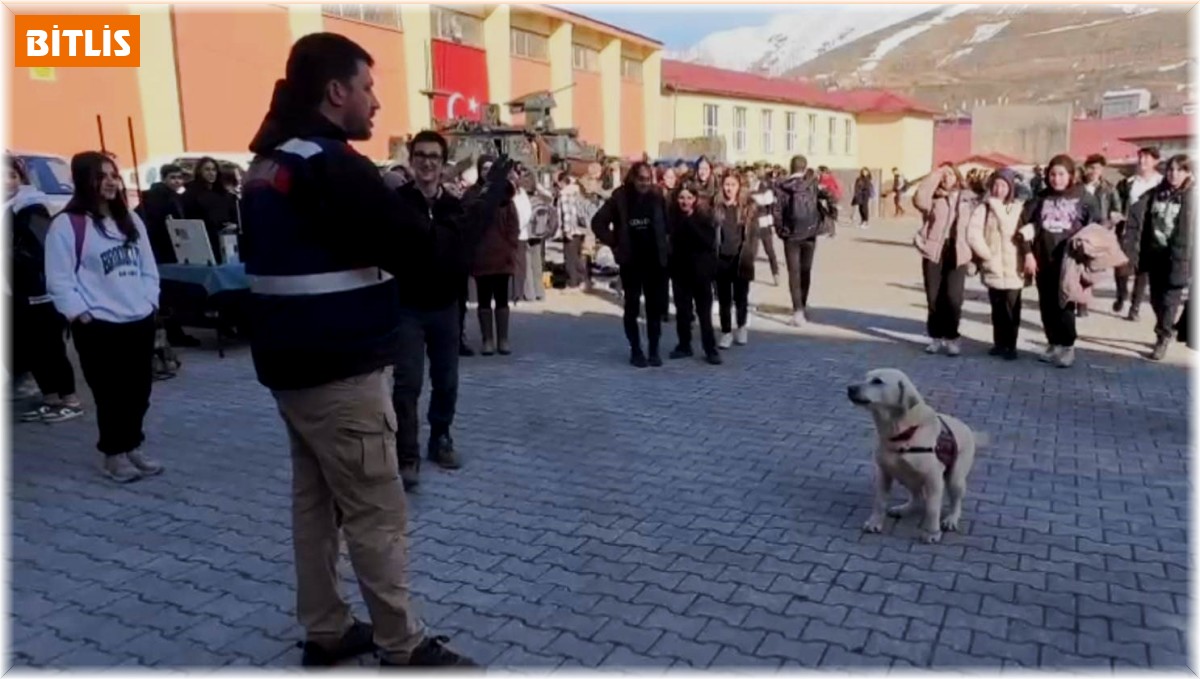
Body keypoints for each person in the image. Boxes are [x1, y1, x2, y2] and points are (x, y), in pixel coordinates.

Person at [240, 32, 485, 668]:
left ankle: (325, 628)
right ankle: (401, 642)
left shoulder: (270, 161)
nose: (377, 103)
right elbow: (426, 259)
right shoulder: (330, 164)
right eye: (370, 88)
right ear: (335, 92)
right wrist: (475, 212)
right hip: (340, 369)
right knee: (377, 511)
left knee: (315, 505)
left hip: (292, 370)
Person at [389, 130, 498, 489]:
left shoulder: (453, 207)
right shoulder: (397, 203)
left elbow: (467, 245)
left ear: (443, 162)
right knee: (408, 384)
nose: (427, 162)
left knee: (447, 381)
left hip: (445, 307)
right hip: (407, 307)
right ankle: (407, 454)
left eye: (434, 156)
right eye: (420, 155)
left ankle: (441, 438)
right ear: (411, 159)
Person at [44, 151, 162, 482]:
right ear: (85, 181)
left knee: (139, 391)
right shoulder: (68, 225)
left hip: (138, 319)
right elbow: (59, 278)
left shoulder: (131, 220)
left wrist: (150, 301)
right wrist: (80, 314)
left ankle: (133, 445)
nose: (111, 182)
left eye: (114, 175)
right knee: (110, 393)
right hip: (99, 325)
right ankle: (114, 454)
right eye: (102, 176)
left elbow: (148, 267)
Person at [7, 155, 84, 424]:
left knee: (49, 346)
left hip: (37, 289)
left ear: (22, 178)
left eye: (12, 176)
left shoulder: (31, 207)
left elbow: (40, 250)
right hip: (13, 290)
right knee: (30, 346)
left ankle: (70, 399)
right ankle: (50, 398)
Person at [1021, 154, 1101, 369]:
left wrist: (1086, 251)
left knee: (1064, 303)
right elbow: (1025, 226)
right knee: (1046, 304)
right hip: (1043, 259)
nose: (1056, 179)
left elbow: (1096, 227)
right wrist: (1028, 253)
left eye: (1061, 174)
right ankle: (1053, 342)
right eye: (1053, 174)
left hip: (1069, 262)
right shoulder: (1040, 198)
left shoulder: (1083, 197)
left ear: (1071, 175)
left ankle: (1067, 345)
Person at [591, 162, 670, 368]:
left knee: (654, 309)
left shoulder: (657, 196)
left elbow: (668, 224)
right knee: (632, 307)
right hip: (631, 261)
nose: (645, 184)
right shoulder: (620, 197)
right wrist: (614, 242)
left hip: (654, 260)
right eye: (641, 179)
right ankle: (636, 350)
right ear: (633, 178)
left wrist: (667, 249)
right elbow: (597, 222)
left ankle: (654, 350)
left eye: (648, 180)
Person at [913, 163, 979, 357]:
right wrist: (935, 174)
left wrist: (976, 259)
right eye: (943, 174)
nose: (946, 178)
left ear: (958, 177)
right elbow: (919, 199)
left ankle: (951, 337)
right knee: (933, 297)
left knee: (953, 298)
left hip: (959, 252)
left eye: (950, 174)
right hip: (934, 250)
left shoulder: (969, 198)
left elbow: (976, 228)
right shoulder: (933, 198)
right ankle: (935, 337)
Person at [134, 163, 202, 348]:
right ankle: (172, 333)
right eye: (172, 177)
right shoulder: (158, 198)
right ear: (164, 178)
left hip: (169, 250)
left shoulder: (172, 197)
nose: (176, 181)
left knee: (171, 294)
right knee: (168, 294)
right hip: (161, 252)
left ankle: (173, 331)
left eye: (179, 177)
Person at [966, 169, 1028, 361]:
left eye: (1003, 185)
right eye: (995, 185)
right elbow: (973, 233)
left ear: (1010, 188)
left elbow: (1013, 229)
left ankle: (1011, 345)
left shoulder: (1018, 208)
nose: (998, 189)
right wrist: (986, 255)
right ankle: (999, 343)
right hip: (993, 265)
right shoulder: (983, 208)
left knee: (1013, 308)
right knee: (997, 308)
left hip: (1014, 266)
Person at [1138, 154, 1192, 361]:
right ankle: (1166, 326)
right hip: (1156, 253)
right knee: (1156, 299)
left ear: (1187, 172)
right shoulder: (1157, 194)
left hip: (1180, 257)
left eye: (1179, 170)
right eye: (1170, 169)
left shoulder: (1191, 197)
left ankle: (1163, 336)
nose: (1174, 174)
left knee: (1170, 300)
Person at [467, 155, 520, 356]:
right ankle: (487, 339)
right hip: (481, 257)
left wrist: (511, 248)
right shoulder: (473, 194)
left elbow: (513, 226)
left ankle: (503, 339)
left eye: (491, 168)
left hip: (501, 257)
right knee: (483, 300)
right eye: (484, 168)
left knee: (501, 299)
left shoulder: (505, 195)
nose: (487, 172)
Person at [667, 182, 721, 365]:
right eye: (681, 198)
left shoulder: (704, 218)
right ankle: (684, 345)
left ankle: (710, 349)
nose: (685, 201)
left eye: (689, 198)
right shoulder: (672, 218)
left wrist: (690, 222)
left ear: (695, 199)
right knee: (683, 312)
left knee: (704, 314)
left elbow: (708, 242)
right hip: (680, 271)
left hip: (701, 273)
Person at [774, 155, 827, 327]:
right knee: (806, 270)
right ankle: (803, 304)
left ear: (791, 168)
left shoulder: (782, 187)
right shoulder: (812, 184)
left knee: (794, 273)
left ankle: (797, 311)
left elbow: (777, 211)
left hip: (791, 236)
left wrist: (781, 231)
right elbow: (830, 198)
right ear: (805, 168)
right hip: (810, 233)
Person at [1112, 147, 1163, 320]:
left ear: (1156, 161)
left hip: (1149, 231)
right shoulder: (1128, 183)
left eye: (1147, 158)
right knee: (1121, 267)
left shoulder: (1161, 183)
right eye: (1140, 157)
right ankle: (1121, 294)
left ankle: (1135, 307)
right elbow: (1117, 203)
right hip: (1128, 230)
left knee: (1143, 270)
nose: (1142, 161)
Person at [712, 172, 759, 349]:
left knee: (741, 297)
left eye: (732, 184)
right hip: (721, 258)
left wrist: (751, 254)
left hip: (741, 258)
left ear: (739, 186)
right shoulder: (716, 207)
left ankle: (741, 326)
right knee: (724, 298)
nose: (729, 188)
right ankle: (725, 332)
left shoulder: (748, 207)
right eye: (726, 184)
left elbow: (754, 236)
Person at [181, 157, 239, 262]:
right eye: (207, 169)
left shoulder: (225, 194)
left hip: (227, 239)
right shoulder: (191, 194)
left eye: (213, 170)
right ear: (200, 171)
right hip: (204, 240)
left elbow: (235, 215)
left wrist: (234, 225)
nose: (211, 173)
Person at [555, 171, 593, 293]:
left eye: (557, 183)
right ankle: (584, 280)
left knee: (570, 258)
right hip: (581, 228)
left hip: (571, 229)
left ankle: (573, 284)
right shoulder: (578, 191)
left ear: (562, 182)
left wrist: (567, 231)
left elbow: (567, 213)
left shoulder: (565, 194)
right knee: (578, 256)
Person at [747, 170, 780, 287]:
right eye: (747, 176)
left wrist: (773, 224)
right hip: (751, 224)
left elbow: (769, 203)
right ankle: (748, 275)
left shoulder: (764, 187)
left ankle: (776, 274)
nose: (749, 178)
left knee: (770, 250)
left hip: (764, 222)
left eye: (751, 175)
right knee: (751, 251)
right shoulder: (745, 188)